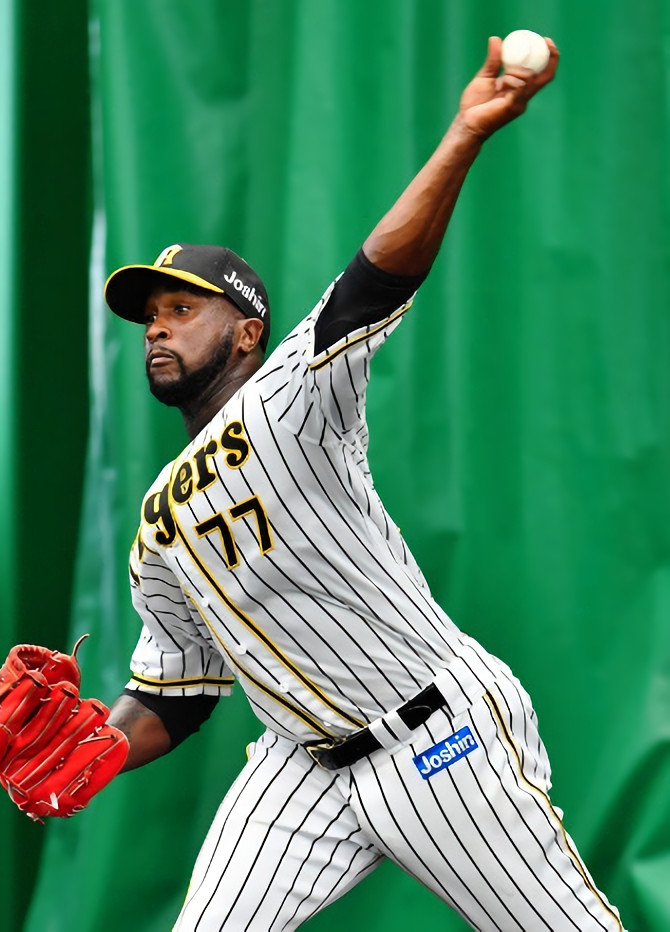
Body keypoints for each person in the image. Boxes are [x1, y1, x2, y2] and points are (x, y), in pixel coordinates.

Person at [102, 36, 625, 931]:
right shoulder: (158, 521)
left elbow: (373, 282)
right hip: (297, 767)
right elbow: (173, 692)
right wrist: (94, 749)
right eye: (151, 316)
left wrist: (463, 135)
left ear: (246, 333)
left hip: (434, 737)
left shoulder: (289, 397)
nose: (158, 328)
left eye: (183, 308)